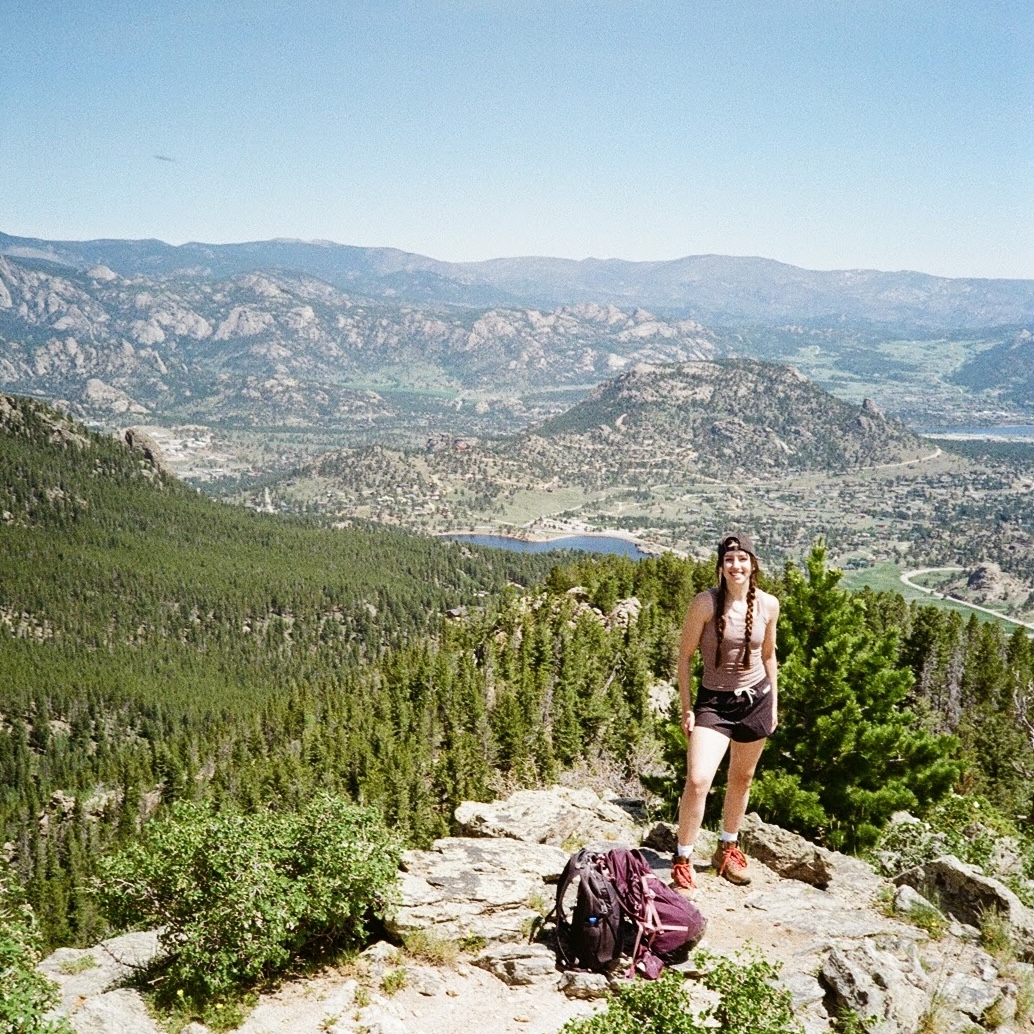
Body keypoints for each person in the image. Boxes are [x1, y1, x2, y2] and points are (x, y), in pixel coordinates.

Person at [670, 532, 779, 892]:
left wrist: (774, 704)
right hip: (714, 703)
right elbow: (684, 656)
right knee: (698, 780)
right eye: (729, 560)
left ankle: (727, 848)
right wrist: (687, 708)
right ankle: (683, 859)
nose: (736, 566)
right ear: (720, 566)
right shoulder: (705, 603)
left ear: (753, 565)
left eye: (743, 559)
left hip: (756, 700)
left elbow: (769, 656)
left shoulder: (768, 605)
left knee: (742, 779)